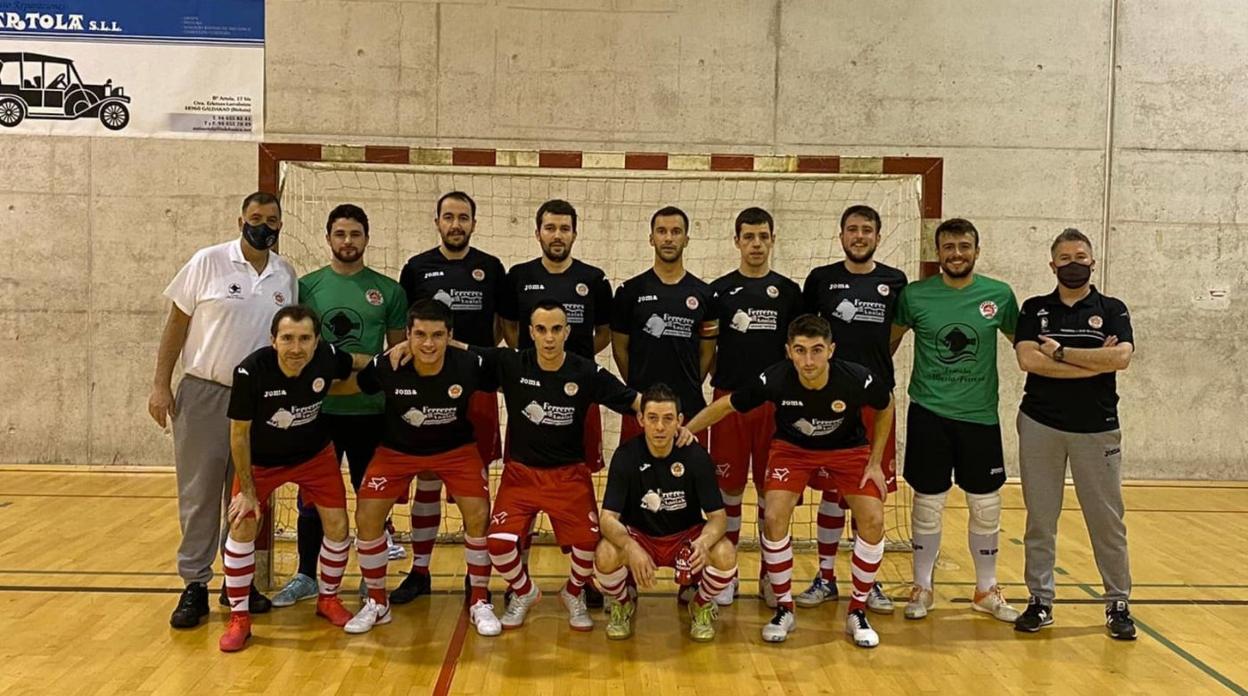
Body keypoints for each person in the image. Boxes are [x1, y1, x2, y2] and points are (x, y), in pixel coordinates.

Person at [685, 314, 895, 647]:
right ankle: (784, 607)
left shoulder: (856, 378)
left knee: (873, 519)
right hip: (792, 451)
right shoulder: (775, 378)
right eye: (800, 350)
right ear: (788, 351)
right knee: (773, 517)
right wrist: (685, 431)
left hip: (848, 450)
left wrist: (875, 462)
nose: (808, 360)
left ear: (831, 350)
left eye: (816, 350)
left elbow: (886, 405)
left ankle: (857, 610)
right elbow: (727, 405)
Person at [151, 191, 296, 629]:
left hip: (258, 402)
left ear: (280, 225)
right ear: (240, 221)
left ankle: (238, 582)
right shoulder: (207, 261)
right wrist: (160, 384)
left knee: (245, 493)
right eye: (256, 217)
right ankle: (195, 583)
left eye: (271, 220)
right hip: (205, 393)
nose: (263, 225)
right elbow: (176, 324)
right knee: (199, 494)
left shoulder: (285, 274)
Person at [474, 301, 641, 631]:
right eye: (541, 329)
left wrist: (673, 422)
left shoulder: (585, 371)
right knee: (497, 544)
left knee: (589, 545)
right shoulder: (511, 362)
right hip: (521, 475)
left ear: (567, 332)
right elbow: (461, 352)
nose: (549, 337)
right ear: (530, 332)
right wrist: (412, 345)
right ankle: (525, 592)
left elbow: (632, 400)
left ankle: (573, 592)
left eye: (555, 329)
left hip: (569, 475)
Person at [273, 204, 408, 608]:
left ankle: (371, 578)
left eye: (355, 234)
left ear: (367, 238)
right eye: (340, 234)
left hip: (371, 413)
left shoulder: (389, 291)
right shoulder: (307, 287)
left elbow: (395, 358)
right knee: (312, 499)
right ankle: (306, 575)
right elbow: (298, 351)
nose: (347, 241)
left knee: (373, 500)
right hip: (318, 414)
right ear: (328, 238)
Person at [342, 300, 501, 637]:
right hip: (397, 451)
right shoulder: (388, 364)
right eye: (420, 335)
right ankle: (377, 602)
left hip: (455, 450)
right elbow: (357, 384)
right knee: (367, 516)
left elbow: (509, 371)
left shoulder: (469, 364)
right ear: (408, 335)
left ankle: (479, 600)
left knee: (478, 513)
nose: (428, 343)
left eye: (437, 335)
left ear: (450, 336)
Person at [890, 217, 1021, 623]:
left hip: (979, 417)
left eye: (965, 246)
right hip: (928, 413)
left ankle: (986, 589)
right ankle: (922, 586)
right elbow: (885, 346)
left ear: (977, 251)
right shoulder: (915, 295)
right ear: (938, 253)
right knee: (928, 503)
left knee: (986, 505)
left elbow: (1026, 347)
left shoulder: (999, 295)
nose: (957, 254)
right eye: (949, 247)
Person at [1012, 228, 1136, 640]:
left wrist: (1062, 353)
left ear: (1093, 262)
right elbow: (1029, 361)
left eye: (1080, 257)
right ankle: (1040, 600)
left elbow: (1121, 357)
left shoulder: (1112, 309)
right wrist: (1094, 362)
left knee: (1106, 521)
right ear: (1052, 265)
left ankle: (1117, 602)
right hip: (1040, 424)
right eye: (1064, 258)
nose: (1073, 264)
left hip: (1097, 429)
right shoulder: (1034, 309)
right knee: (1040, 519)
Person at [217, 306, 356, 652]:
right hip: (261, 462)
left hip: (314, 456)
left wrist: (398, 354)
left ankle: (328, 599)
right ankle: (239, 618)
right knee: (243, 524)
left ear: (316, 341)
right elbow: (238, 435)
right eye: (288, 338)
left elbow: (357, 362)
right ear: (273, 340)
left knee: (338, 525)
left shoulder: (326, 357)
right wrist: (248, 491)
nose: (296, 348)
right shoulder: (250, 371)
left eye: (305, 339)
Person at [395, 191, 506, 602]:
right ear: (437, 222)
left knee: (475, 483)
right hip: (428, 388)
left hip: (476, 388)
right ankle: (420, 571)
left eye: (463, 217)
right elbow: (406, 329)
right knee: (426, 478)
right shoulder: (417, 267)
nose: (456, 224)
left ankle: (476, 577)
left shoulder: (491, 268)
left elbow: (501, 325)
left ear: (474, 223)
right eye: (448, 217)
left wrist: (471, 358)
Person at [798, 204, 907, 613]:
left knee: (869, 494)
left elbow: (893, 334)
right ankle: (825, 577)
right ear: (841, 235)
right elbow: (806, 337)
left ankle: (868, 582)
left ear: (878, 236)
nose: (859, 236)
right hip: (828, 401)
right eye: (852, 229)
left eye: (867, 230)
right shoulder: (821, 279)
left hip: (875, 402)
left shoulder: (894, 281)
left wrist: (869, 370)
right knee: (831, 492)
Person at [706, 207, 801, 606]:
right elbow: (708, 349)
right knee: (727, 489)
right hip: (729, 403)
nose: (756, 244)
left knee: (771, 493)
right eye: (749, 237)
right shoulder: (718, 291)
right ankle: (727, 574)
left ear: (773, 240)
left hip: (775, 407)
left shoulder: (790, 292)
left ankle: (769, 576)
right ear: (737, 241)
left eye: (763, 236)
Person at [594, 383, 736, 642]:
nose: (660, 427)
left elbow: (718, 518)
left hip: (685, 538)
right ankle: (622, 603)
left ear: (679, 421)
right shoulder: (626, 456)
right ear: (640, 419)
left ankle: (701, 604)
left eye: (668, 419)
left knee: (725, 553)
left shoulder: (696, 456)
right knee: (604, 554)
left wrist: (703, 542)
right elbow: (607, 519)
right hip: (640, 537)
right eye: (652, 418)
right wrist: (630, 546)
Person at [498, 199, 613, 470]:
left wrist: (570, 361)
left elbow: (605, 332)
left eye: (564, 228)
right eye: (550, 228)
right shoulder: (518, 276)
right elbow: (509, 326)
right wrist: (535, 357)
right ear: (538, 233)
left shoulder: (594, 279)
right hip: (529, 387)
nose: (557, 235)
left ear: (575, 234)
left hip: (579, 387)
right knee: (524, 466)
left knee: (581, 467)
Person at [612, 206, 718, 448]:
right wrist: (639, 387)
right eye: (661, 231)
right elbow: (619, 349)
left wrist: (691, 381)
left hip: (689, 408)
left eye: (676, 232)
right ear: (651, 238)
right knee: (635, 470)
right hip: (640, 406)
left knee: (689, 470)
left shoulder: (705, 294)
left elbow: (707, 351)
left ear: (686, 239)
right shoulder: (629, 292)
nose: (668, 238)